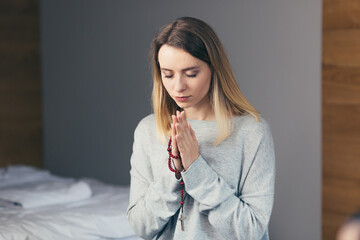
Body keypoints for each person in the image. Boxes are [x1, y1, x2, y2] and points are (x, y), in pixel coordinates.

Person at [126, 16, 275, 240]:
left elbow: (251, 231)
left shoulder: (252, 132)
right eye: (168, 74)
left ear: (214, 68)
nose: (178, 86)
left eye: (191, 74)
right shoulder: (148, 130)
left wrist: (195, 168)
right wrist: (175, 171)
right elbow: (141, 227)